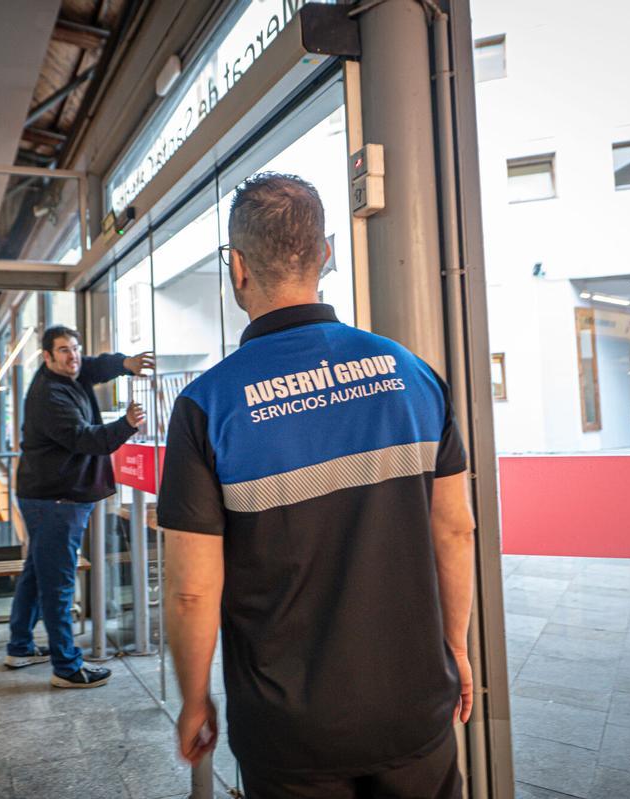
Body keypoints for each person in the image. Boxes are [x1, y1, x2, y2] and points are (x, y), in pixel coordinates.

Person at [158, 173, 475, 798]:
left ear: (238, 268)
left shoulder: (207, 406)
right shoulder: (413, 375)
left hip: (287, 728)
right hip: (414, 706)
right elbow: (455, 529)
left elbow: (191, 591)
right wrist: (455, 649)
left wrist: (195, 698)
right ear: (325, 255)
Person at [5, 325, 153, 688]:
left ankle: (20, 646)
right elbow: (86, 440)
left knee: (37, 572)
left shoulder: (70, 372)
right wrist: (127, 425)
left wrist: (125, 364)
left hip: (47, 494)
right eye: (64, 351)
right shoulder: (50, 396)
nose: (73, 357)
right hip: (57, 498)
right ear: (47, 357)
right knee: (58, 582)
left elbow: (96, 365)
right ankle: (67, 668)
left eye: (75, 348)